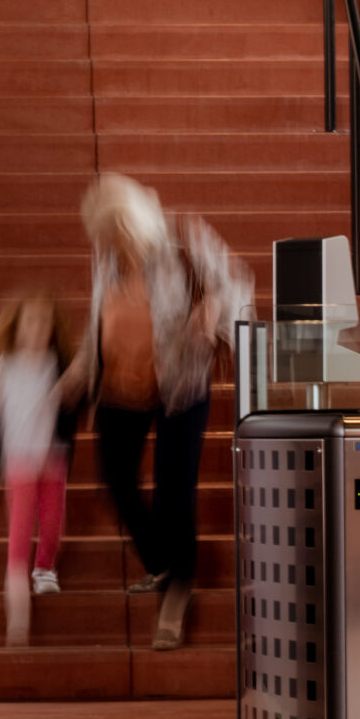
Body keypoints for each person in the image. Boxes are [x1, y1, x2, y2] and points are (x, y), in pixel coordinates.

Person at [59, 176, 252, 651]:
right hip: (119, 385)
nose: (105, 246)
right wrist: (79, 372)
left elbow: (239, 283)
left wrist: (212, 308)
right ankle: (165, 563)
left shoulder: (182, 239)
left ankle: (179, 587)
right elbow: (97, 317)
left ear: (131, 225)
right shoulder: (106, 255)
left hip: (179, 386)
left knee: (174, 490)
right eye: (101, 238)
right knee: (116, 482)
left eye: (113, 235)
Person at [0, 285, 78, 645]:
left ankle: (45, 566)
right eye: (30, 322)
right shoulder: (7, 363)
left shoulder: (55, 363)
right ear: (16, 326)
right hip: (18, 461)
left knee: (52, 524)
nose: (37, 329)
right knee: (18, 537)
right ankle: (17, 620)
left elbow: (74, 387)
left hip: (51, 459)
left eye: (44, 322)